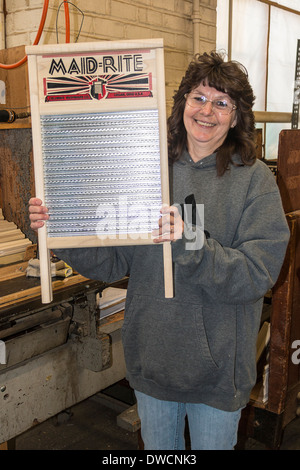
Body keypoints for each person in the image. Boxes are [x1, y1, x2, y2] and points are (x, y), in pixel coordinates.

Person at [29, 51, 290, 450]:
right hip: (154, 362)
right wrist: (62, 231)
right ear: (182, 102)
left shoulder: (255, 182)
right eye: (199, 97)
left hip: (217, 374)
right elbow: (113, 260)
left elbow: (255, 276)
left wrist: (190, 240)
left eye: (222, 103)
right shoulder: (147, 169)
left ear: (236, 118)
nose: (207, 111)